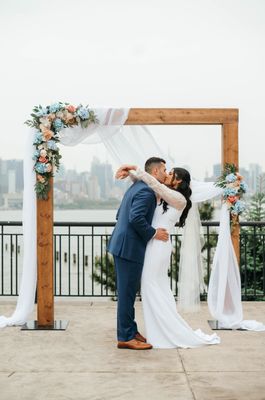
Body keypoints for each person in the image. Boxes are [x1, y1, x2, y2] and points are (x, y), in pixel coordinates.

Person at [116, 164, 220, 349]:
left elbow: (156, 185)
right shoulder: (163, 195)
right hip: (153, 243)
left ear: (178, 180)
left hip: (158, 245)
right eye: (166, 171)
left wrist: (135, 169)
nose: (167, 174)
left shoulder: (179, 199)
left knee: (150, 285)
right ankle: (151, 328)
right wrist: (132, 174)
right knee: (155, 287)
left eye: (171, 173)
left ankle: (163, 330)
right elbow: (153, 186)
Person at [107, 157, 170, 350]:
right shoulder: (147, 192)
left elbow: (120, 215)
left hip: (123, 245)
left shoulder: (136, 187)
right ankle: (125, 337)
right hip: (129, 248)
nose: (167, 174)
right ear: (156, 172)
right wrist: (153, 233)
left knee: (129, 292)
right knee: (126, 294)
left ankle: (131, 330)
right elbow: (135, 218)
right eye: (165, 170)